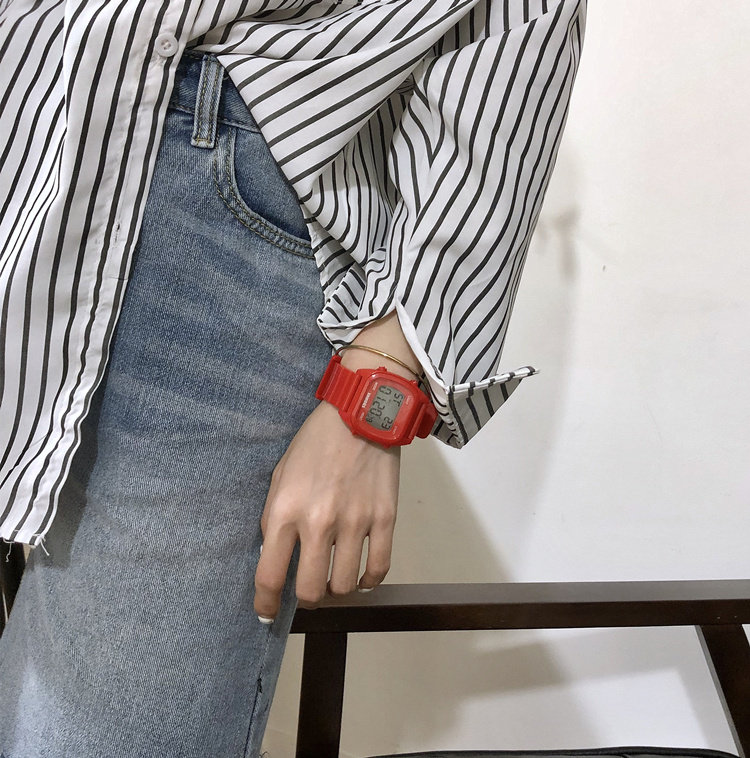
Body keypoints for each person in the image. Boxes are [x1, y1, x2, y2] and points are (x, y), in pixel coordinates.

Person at [0, 1, 588, 755]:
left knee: (93, 729)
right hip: (29, 114)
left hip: (210, 179)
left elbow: (519, 26)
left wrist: (377, 388)